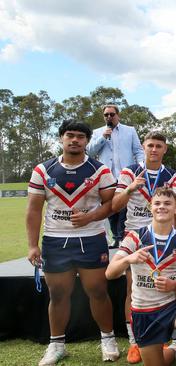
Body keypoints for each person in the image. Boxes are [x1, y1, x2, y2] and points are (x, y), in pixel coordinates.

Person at [27, 120, 120, 365]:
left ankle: (107, 339)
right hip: (55, 241)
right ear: (61, 138)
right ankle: (57, 344)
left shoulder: (100, 170)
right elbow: (34, 210)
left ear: (87, 141)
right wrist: (32, 245)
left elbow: (111, 205)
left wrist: (90, 216)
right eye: (70, 135)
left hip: (91, 239)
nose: (75, 140)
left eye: (80, 136)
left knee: (98, 291)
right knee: (57, 294)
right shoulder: (43, 170)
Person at [106, 187, 176, 366]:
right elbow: (110, 273)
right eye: (157, 203)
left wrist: (174, 284)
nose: (162, 207)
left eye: (167, 203)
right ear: (150, 207)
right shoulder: (136, 237)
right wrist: (129, 259)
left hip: (171, 308)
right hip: (144, 313)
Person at [112, 131, 176, 363]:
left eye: (159, 146)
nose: (154, 149)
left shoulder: (172, 176)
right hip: (136, 236)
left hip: (164, 237)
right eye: (150, 145)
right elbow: (115, 205)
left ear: (165, 149)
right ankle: (135, 341)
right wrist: (131, 188)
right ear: (143, 147)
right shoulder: (129, 172)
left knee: (164, 287)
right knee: (132, 288)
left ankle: (162, 338)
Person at [87, 104, 144, 248]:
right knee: (110, 209)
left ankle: (121, 236)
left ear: (118, 115)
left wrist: (142, 165)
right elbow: (91, 152)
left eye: (112, 114)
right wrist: (103, 137)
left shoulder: (130, 131)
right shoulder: (98, 132)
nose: (109, 117)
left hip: (125, 175)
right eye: (106, 115)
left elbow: (138, 150)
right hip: (107, 177)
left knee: (124, 207)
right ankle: (116, 237)